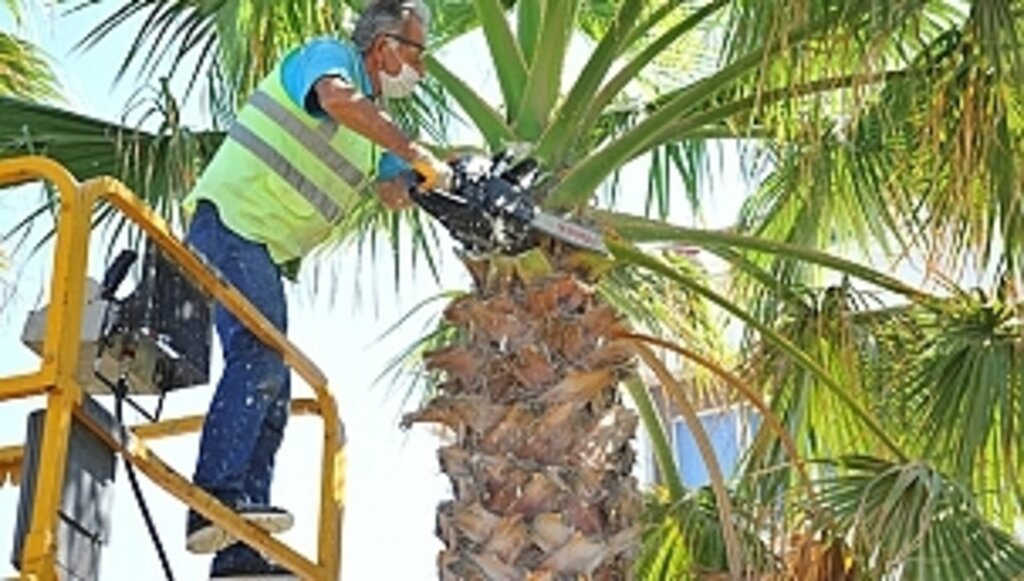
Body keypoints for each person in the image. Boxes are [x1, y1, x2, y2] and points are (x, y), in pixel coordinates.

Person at [180, 1, 448, 578]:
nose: (421, 71)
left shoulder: (370, 132)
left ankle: (239, 552)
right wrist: (414, 152)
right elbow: (335, 101)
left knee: (273, 389)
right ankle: (214, 501)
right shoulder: (329, 61)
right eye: (418, 54)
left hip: (259, 250)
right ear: (383, 45)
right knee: (260, 358)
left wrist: (438, 179)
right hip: (230, 224)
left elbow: (394, 190)